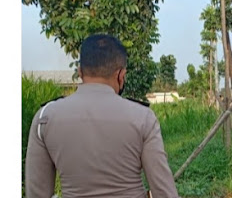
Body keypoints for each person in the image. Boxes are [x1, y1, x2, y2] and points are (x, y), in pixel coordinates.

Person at [25, 34, 179, 198]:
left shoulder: (45, 118)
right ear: (121, 75)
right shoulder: (143, 117)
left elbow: (37, 193)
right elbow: (164, 192)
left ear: (80, 72)